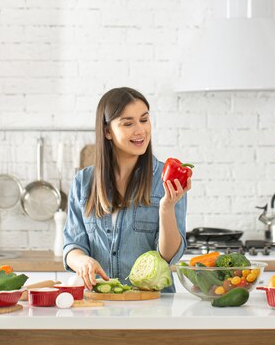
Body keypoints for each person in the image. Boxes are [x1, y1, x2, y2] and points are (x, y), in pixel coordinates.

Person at [63, 87, 191, 293]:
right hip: (98, 304)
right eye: (128, 123)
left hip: (152, 306)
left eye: (144, 120)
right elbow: (72, 246)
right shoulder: (83, 181)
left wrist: (166, 207)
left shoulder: (167, 178)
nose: (140, 130)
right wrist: (82, 261)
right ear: (107, 131)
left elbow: (168, 256)